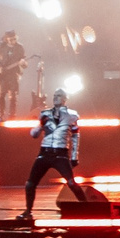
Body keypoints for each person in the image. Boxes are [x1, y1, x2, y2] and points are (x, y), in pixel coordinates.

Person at [22, 88, 80, 219]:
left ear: (65, 99)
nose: (55, 98)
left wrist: (74, 156)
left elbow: (75, 137)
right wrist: (40, 125)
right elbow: (34, 135)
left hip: (60, 154)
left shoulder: (72, 115)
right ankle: (28, 211)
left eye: (58, 96)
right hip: (45, 152)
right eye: (54, 95)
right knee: (30, 183)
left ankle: (88, 207)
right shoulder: (45, 114)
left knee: (71, 182)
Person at [0, 29, 28, 119]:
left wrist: (23, 63)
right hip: (3, 74)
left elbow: (25, 63)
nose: (13, 41)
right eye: (11, 39)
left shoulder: (20, 47)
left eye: (15, 39)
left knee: (13, 96)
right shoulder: (1, 47)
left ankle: (12, 116)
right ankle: (1, 115)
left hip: (14, 74)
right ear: (6, 39)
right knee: (1, 95)